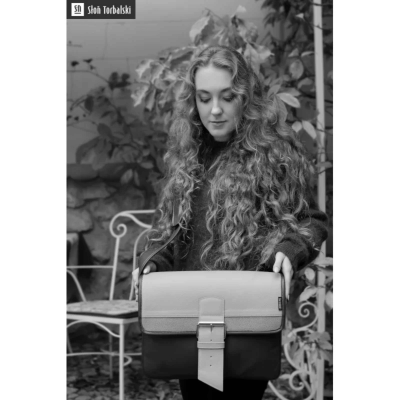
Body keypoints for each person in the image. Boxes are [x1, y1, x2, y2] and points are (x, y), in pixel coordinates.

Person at [133, 45, 328, 400]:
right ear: (194, 100)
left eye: (227, 97)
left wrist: (291, 249)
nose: (215, 110)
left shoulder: (276, 152)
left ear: (246, 97)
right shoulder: (188, 154)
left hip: (247, 315)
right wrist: (153, 261)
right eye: (204, 98)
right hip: (192, 316)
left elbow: (311, 221)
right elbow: (171, 233)